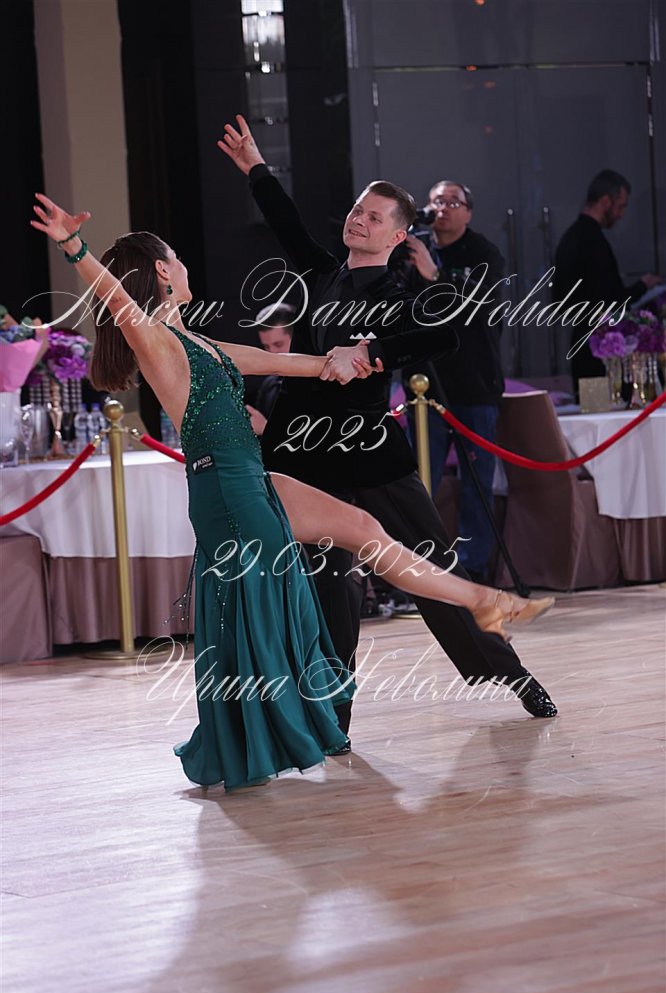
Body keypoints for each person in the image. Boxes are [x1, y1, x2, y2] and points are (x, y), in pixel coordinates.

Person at [31, 194, 554, 790]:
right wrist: (73, 247)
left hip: (254, 478)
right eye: (175, 258)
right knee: (282, 603)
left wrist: (354, 358)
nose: (184, 263)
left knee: (366, 533)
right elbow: (118, 301)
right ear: (160, 273)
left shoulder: (203, 344)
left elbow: (291, 363)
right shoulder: (156, 339)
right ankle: (270, 729)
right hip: (227, 491)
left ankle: (483, 601)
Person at [218, 115, 558, 742]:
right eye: (357, 211)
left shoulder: (403, 295)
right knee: (329, 589)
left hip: (373, 456)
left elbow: (445, 333)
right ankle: (333, 717)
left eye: (374, 217)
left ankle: (511, 675)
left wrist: (370, 350)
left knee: (433, 570)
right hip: (308, 459)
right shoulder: (321, 274)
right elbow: (288, 223)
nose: (359, 220)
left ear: (398, 235)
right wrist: (256, 169)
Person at [399, 179, 505, 583]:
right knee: (419, 483)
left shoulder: (484, 254)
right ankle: (421, 569)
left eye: (452, 202)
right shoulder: (414, 249)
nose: (442, 208)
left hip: (474, 383)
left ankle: (473, 571)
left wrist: (436, 274)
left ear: (469, 212)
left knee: (476, 483)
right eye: (436, 201)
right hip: (424, 385)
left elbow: (479, 309)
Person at [553, 169, 662, 398]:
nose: (621, 215)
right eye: (620, 206)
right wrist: (642, 286)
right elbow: (612, 299)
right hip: (601, 351)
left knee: (592, 409)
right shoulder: (592, 242)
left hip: (584, 346)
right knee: (605, 409)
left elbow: (562, 300)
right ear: (605, 201)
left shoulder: (571, 238)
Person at [245, 303, 295, 436]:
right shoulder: (269, 385)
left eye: (278, 344)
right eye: (266, 347)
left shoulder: (322, 380)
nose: (271, 353)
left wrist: (266, 429)